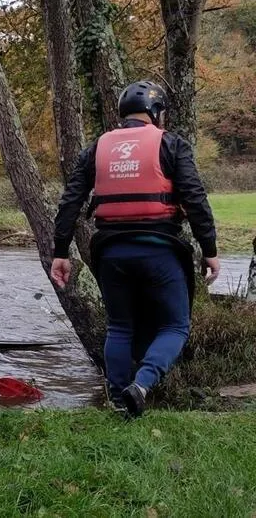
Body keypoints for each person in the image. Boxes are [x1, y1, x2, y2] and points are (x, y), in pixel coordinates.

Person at [50, 80, 220, 417]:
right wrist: (209, 249)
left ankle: (117, 400)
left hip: (111, 252)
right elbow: (195, 199)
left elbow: (70, 201)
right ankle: (141, 385)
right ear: (156, 113)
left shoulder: (96, 148)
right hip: (160, 249)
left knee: (120, 326)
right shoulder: (171, 143)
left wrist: (60, 251)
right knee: (175, 326)